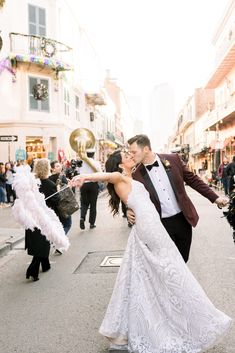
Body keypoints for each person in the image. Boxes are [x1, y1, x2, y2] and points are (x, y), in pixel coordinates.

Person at [71, 149, 232, 353]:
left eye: (131, 153)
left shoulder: (132, 176)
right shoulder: (119, 176)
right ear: (120, 165)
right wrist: (84, 176)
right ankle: (181, 321)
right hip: (149, 231)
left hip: (155, 228)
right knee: (172, 274)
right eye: (126, 157)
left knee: (156, 277)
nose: (130, 157)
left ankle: (171, 317)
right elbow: (106, 175)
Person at [127, 135, 228, 262]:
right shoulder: (136, 175)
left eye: (134, 152)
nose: (131, 155)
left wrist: (215, 198)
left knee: (183, 260)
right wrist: (129, 209)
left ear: (146, 149)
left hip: (183, 220)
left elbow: (193, 180)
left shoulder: (173, 159)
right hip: (161, 225)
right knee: (168, 264)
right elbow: (135, 197)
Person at [25, 159, 60, 281]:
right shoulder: (50, 184)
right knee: (42, 243)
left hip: (32, 217)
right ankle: (32, 270)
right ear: (47, 168)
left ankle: (46, 265)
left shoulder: (32, 184)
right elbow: (56, 201)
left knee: (40, 242)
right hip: (44, 217)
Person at [78, 148, 102, 230]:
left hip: (84, 184)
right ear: (94, 154)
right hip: (93, 184)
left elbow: (78, 172)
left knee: (84, 203)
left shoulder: (81, 163)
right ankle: (92, 223)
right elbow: (100, 173)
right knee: (93, 204)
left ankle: (82, 217)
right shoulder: (96, 163)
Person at [49, 160, 72, 236]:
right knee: (67, 224)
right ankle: (60, 238)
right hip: (63, 204)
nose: (60, 167)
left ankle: (56, 238)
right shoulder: (62, 177)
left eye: (60, 165)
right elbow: (67, 190)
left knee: (59, 224)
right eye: (57, 166)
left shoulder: (49, 178)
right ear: (52, 169)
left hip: (54, 205)